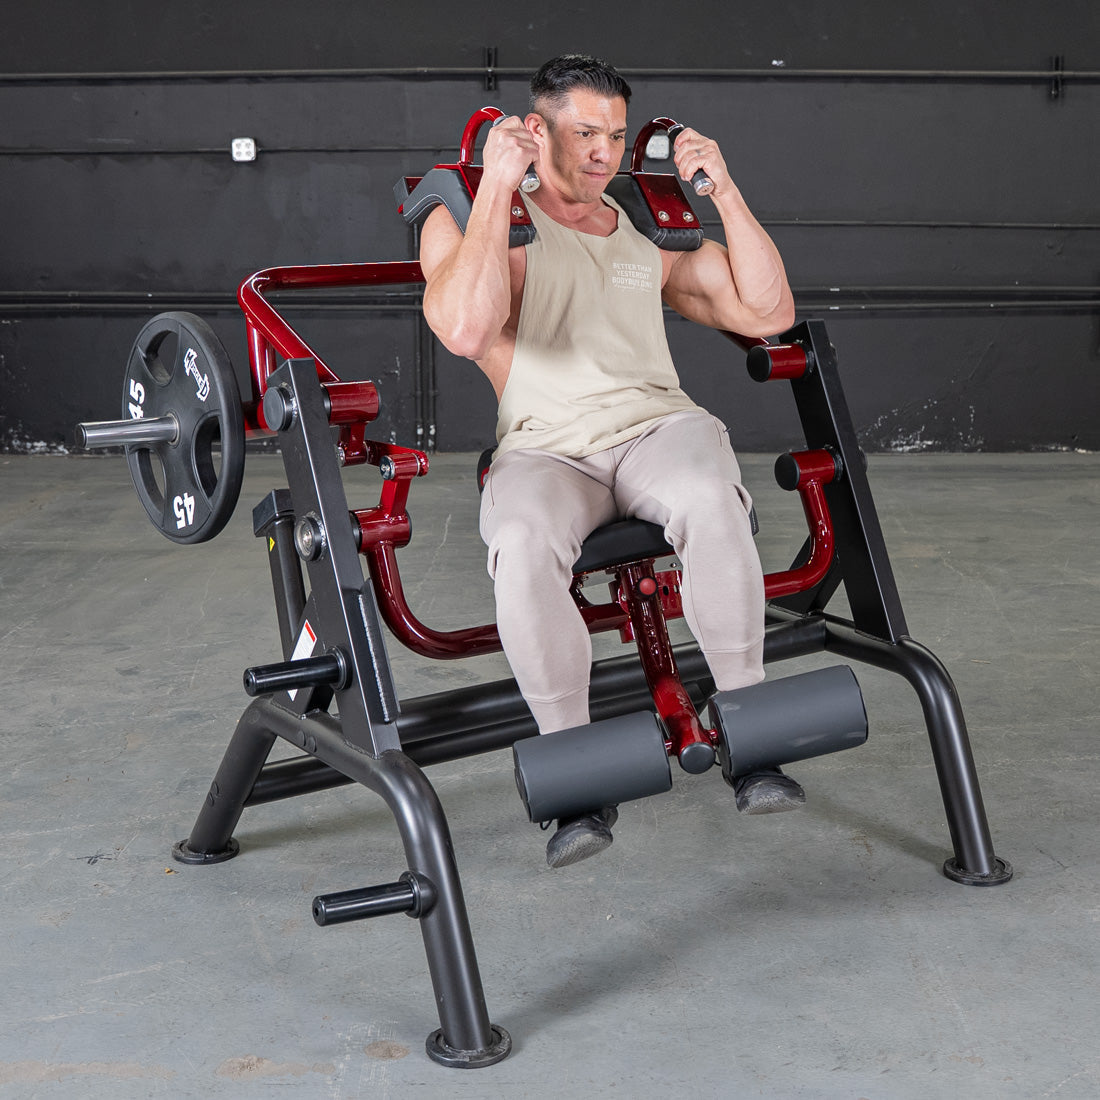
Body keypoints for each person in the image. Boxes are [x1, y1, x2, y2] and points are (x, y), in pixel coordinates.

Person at [420, 54, 801, 868]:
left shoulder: (638, 224)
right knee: (520, 542)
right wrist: (495, 184)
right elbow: (463, 329)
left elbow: (768, 310)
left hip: (657, 430)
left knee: (707, 491)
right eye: (584, 133)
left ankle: (750, 727)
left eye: (616, 136)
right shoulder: (465, 212)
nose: (604, 153)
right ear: (535, 128)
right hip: (545, 449)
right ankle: (576, 773)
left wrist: (723, 191)